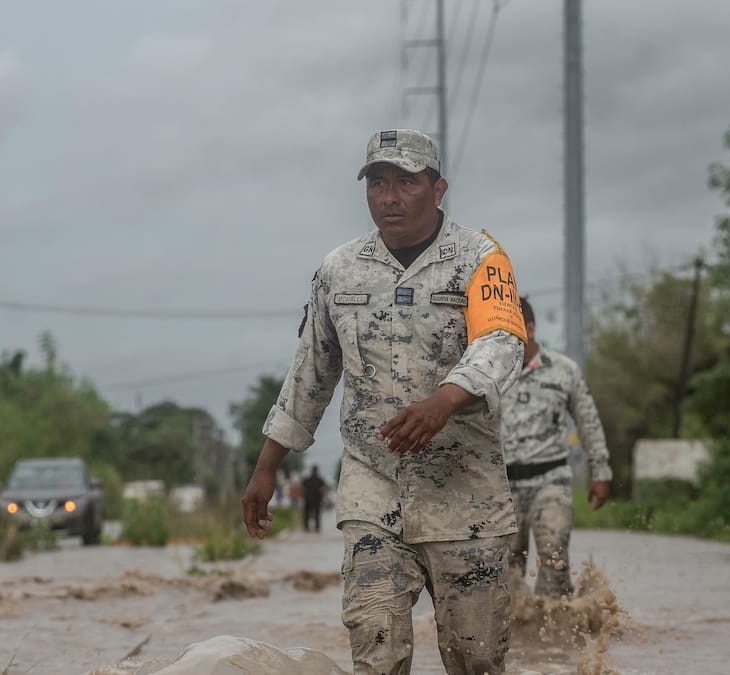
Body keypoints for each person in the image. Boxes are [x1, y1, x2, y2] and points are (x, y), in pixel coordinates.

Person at [241, 129, 527, 675]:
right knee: (375, 649)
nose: (389, 197)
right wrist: (266, 469)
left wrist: (444, 400)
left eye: (406, 182)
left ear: (438, 189)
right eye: (377, 183)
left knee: (477, 661)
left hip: (465, 493)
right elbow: (311, 374)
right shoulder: (338, 271)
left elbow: (501, 342)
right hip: (373, 491)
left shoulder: (481, 259)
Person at [501, 296, 612, 598]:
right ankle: (515, 636)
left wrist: (601, 472)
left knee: (554, 554)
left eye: (513, 328)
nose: (506, 336)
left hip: (550, 480)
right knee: (502, 573)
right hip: (501, 486)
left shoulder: (564, 370)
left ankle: (556, 636)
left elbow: (588, 421)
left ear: (531, 329)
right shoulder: (488, 372)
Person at [301, 465, 328, 532]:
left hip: (308, 499)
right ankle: (317, 528)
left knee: (306, 514)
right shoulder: (320, 480)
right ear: (317, 471)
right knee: (317, 514)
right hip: (317, 499)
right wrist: (322, 497)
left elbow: (302, 489)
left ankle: (306, 527)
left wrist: (303, 496)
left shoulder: (307, 479)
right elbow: (323, 489)